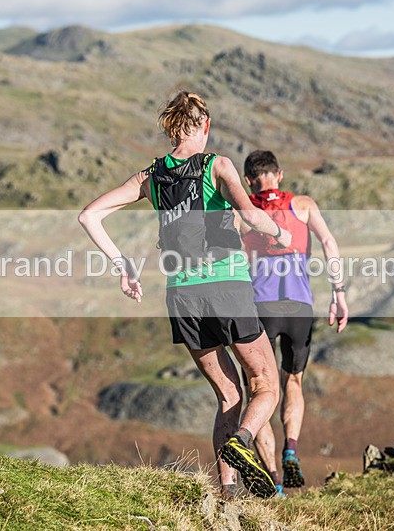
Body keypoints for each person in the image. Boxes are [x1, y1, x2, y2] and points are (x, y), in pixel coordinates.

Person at [79, 91, 293, 499]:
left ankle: (228, 494)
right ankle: (243, 441)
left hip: (181, 296)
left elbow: (89, 216)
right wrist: (281, 234)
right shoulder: (217, 165)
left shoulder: (149, 177)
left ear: (171, 129)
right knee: (266, 384)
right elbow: (251, 215)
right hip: (226, 286)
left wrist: (123, 265)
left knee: (228, 395)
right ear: (206, 125)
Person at [240, 150, 348, 495]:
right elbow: (329, 242)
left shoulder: (243, 211)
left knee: (259, 389)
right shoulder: (303, 205)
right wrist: (338, 293)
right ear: (279, 174)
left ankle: (274, 479)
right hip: (300, 306)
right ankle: (291, 450)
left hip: (260, 306)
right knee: (294, 381)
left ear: (248, 181)